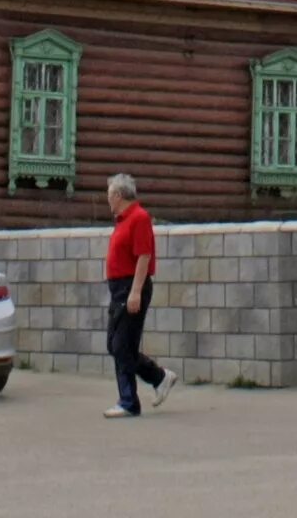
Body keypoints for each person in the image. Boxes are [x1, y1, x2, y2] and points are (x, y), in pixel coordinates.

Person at [101, 172, 177, 419]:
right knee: (116, 345)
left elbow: (144, 256)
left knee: (122, 346)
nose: (108, 201)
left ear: (118, 195)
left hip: (131, 287)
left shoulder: (139, 218)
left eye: (109, 196)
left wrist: (135, 292)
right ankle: (159, 377)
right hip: (119, 289)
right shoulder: (123, 220)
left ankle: (128, 402)